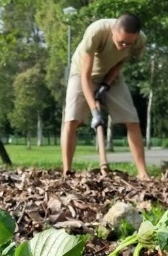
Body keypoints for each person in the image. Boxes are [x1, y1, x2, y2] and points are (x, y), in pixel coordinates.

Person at [61, 13, 149, 179]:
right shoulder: (97, 31)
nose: (124, 46)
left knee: (132, 120)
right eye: (121, 42)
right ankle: (67, 172)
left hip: (111, 76)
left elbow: (121, 61)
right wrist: (95, 112)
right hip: (82, 74)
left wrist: (107, 84)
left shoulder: (139, 40)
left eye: (128, 43)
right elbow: (85, 77)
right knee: (72, 120)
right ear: (113, 31)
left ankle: (143, 173)